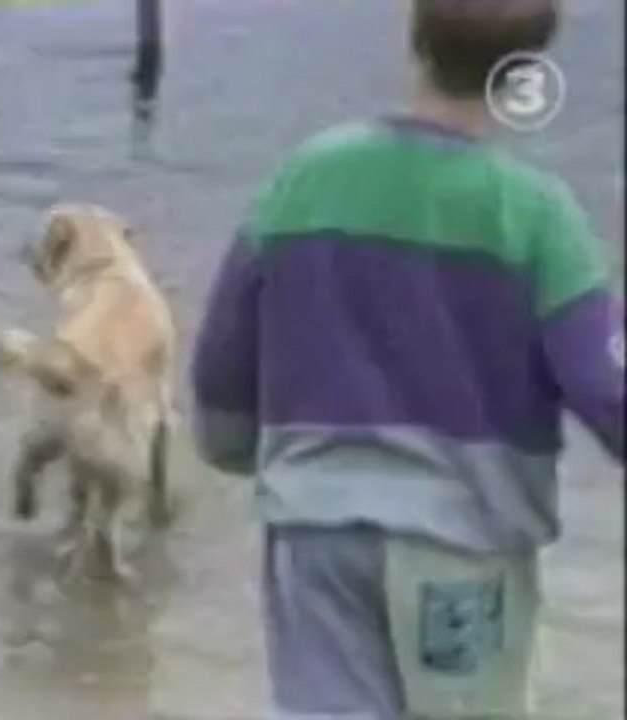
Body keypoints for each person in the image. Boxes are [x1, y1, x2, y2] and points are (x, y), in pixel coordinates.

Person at [189, 1, 625, 718]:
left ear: (413, 35)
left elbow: (224, 352)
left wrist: (233, 446)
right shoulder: (539, 216)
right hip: (460, 549)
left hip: (314, 530)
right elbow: (607, 390)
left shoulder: (306, 178)